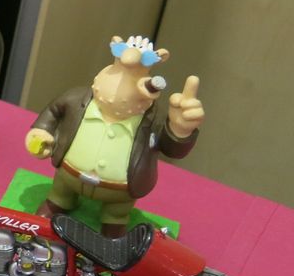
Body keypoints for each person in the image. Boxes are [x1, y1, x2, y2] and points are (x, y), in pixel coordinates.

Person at [25, 35, 205, 237]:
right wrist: (41, 131)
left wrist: (180, 130)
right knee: (60, 192)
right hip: (68, 175)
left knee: (117, 212)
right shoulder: (76, 99)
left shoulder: (153, 120)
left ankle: (114, 220)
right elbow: (53, 111)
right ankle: (59, 201)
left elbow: (172, 150)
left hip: (120, 191)